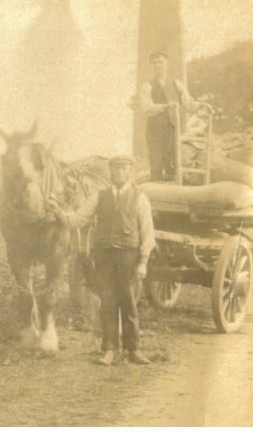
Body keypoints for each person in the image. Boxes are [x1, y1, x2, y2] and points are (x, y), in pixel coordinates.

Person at [59, 155, 155, 365]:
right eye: (116, 169)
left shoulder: (140, 199)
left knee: (129, 303)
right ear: (110, 172)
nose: (119, 173)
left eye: (123, 169)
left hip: (129, 256)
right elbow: (79, 218)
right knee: (108, 303)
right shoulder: (99, 197)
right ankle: (109, 350)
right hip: (104, 256)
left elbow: (148, 233)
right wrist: (59, 213)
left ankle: (134, 350)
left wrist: (143, 262)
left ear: (130, 172)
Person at [138, 51, 197, 181]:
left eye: (160, 62)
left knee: (173, 161)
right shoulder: (147, 86)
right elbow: (146, 108)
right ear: (151, 66)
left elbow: (188, 103)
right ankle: (156, 185)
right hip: (155, 130)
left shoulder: (176, 83)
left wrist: (202, 105)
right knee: (156, 162)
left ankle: (175, 186)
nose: (157, 65)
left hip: (172, 128)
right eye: (154, 63)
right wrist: (165, 106)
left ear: (167, 65)